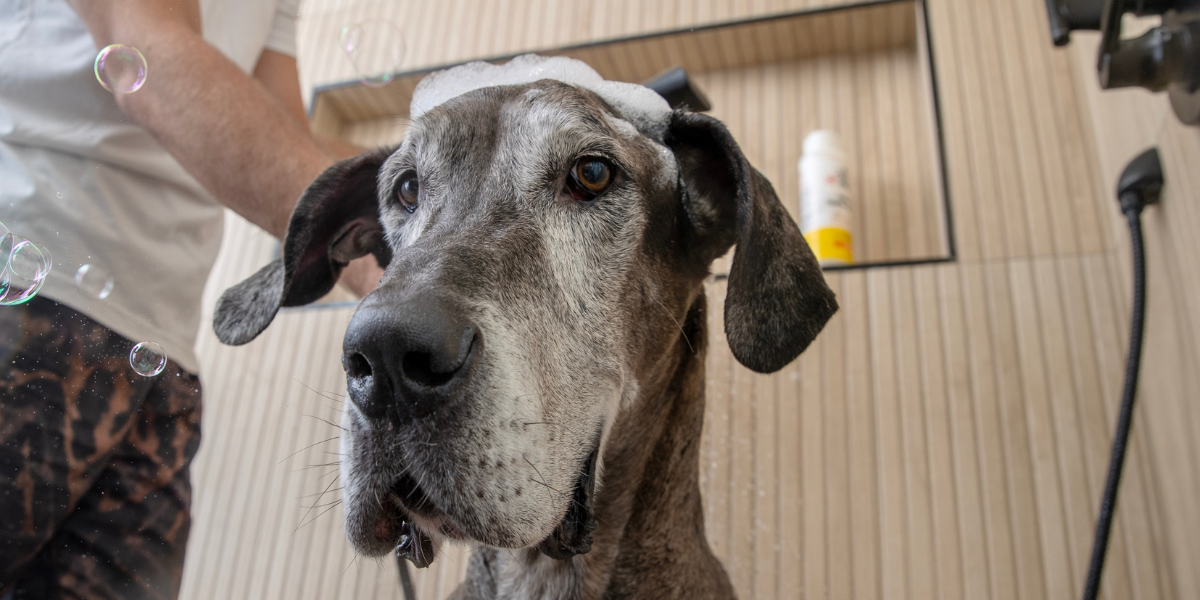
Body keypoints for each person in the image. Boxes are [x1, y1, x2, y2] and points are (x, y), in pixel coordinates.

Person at [0, 0, 381, 597]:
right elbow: (149, 50)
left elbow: (283, 131)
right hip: (34, 288)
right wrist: (393, 265)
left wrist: (427, 198)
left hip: (162, 349)